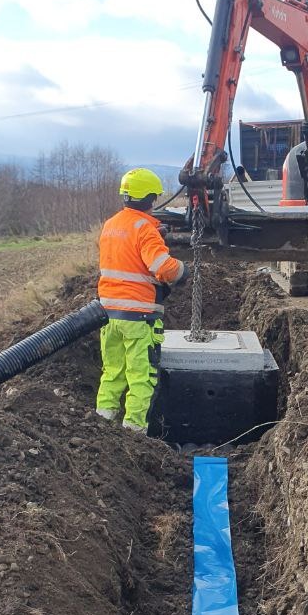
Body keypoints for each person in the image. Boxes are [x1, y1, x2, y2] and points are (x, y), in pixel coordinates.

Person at [95, 168, 187, 433]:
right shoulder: (145, 229)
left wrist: (157, 233)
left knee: (112, 372)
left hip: (108, 315)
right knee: (141, 377)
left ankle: (102, 423)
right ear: (150, 198)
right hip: (139, 318)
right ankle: (133, 433)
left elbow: (127, 256)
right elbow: (164, 268)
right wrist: (183, 270)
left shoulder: (111, 224)